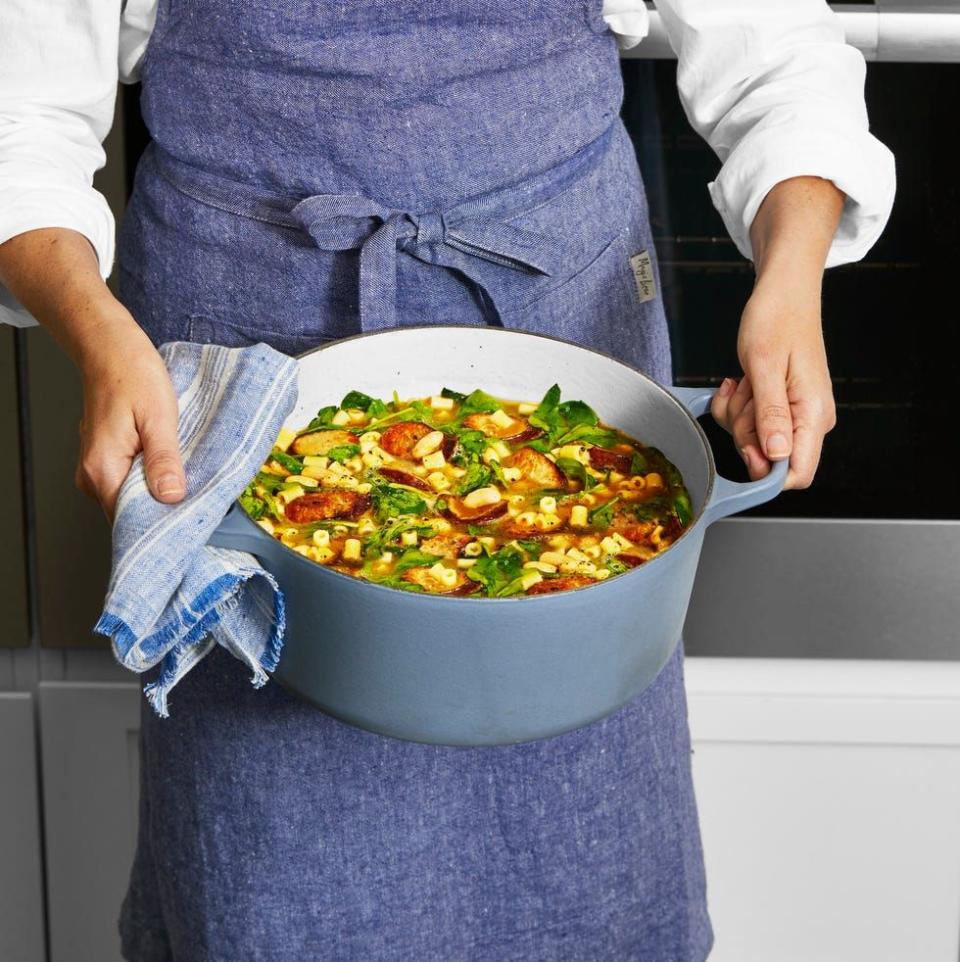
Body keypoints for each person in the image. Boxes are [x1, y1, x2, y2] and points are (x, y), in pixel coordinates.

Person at [0, 0, 894, 959]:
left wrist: (791, 284)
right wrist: (99, 340)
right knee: (271, 843)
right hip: (239, 336)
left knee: (580, 794)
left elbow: (780, 54)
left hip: (561, 306)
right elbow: (23, 112)